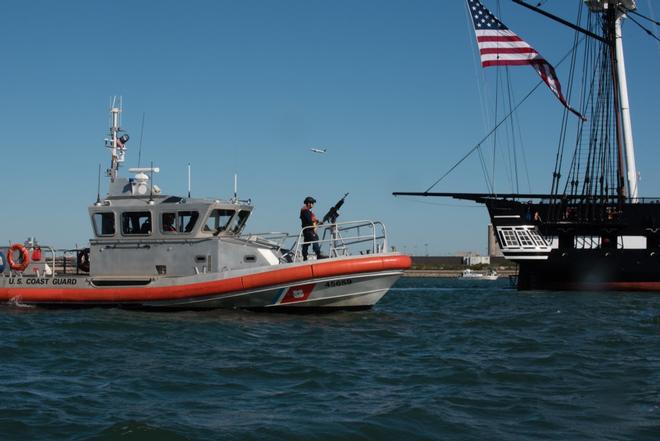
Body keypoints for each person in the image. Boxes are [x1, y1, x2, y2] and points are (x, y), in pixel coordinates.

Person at [300, 196, 326, 260]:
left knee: (306, 242)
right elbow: (309, 221)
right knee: (315, 238)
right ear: (309, 203)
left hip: (307, 230)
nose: (313, 204)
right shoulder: (305, 211)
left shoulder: (306, 211)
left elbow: (311, 220)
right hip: (309, 230)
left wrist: (317, 222)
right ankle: (318, 255)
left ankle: (305, 257)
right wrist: (314, 225)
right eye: (312, 203)